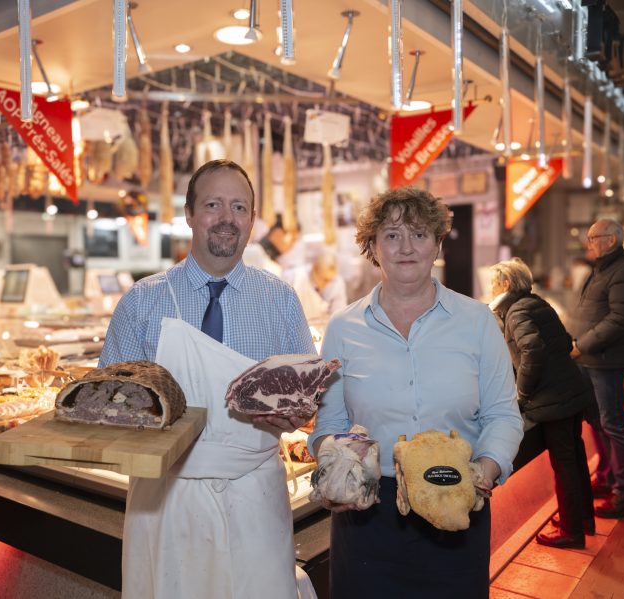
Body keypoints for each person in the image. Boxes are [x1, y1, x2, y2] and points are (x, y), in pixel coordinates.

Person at [99, 159, 316, 599]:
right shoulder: (143, 300)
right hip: (164, 494)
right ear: (190, 214)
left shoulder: (279, 300)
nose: (226, 218)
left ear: (252, 220)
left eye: (239, 207)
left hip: (254, 494)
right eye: (213, 204)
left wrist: (296, 416)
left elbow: (305, 402)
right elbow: (109, 403)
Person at [307, 187, 523, 598]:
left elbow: (503, 414)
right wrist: (334, 466)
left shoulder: (476, 321)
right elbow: (329, 424)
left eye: (419, 234)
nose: (406, 247)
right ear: (372, 246)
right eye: (391, 235)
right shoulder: (342, 328)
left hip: (457, 496)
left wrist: (485, 473)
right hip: (368, 513)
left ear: (438, 243)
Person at [489, 258, 595, 549]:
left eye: (493, 282)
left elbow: (532, 350)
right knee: (573, 458)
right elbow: (563, 341)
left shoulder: (516, 311)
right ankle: (582, 519)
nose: (489, 288)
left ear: (506, 284)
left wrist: (521, 393)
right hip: (570, 391)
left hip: (553, 400)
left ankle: (572, 532)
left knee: (564, 465)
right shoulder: (536, 303)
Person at [567, 218, 624, 520]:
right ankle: (606, 476)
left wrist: (582, 344)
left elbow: (620, 319)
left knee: (613, 424)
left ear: (611, 239)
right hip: (587, 358)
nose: (588, 243)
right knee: (597, 423)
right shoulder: (602, 268)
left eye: (592, 238)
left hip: (605, 360)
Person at [290, 251, 348, 322]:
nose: (327, 284)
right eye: (324, 279)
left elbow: (339, 315)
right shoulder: (296, 278)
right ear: (314, 268)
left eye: (330, 280)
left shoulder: (337, 282)